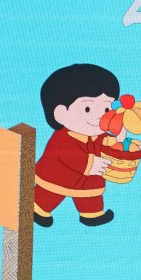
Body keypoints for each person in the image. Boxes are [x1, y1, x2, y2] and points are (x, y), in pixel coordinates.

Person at [34, 64, 122, 227]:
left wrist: (118, 139)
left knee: (90, 196)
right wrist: (90, 164)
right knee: (50, 193)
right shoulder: (63, 138)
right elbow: (66, 156)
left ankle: (92, 214)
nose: (99, 116)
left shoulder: (98, 135)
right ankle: (37, 209)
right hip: (59, 175)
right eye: (88, 108)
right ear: (61, 113)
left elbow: (105, 143)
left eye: (106, 108)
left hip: (87, 180)